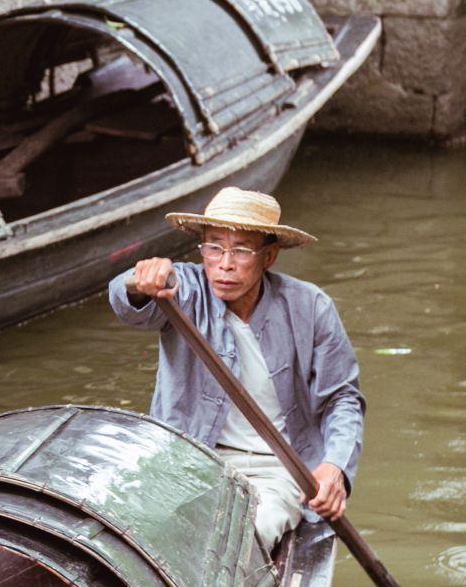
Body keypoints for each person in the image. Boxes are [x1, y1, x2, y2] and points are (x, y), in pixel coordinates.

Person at [107, 186, 364, 548]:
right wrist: (140, 280)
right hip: (188, 459)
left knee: (245, 539)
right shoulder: (182, 290)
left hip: (279, 468)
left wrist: (334, 466)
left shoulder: (310, 307)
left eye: (241, 249)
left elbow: (343, 399)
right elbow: (123, 297)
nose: (225, 263)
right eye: (214, 247)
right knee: (132, 537)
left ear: (269, 256)